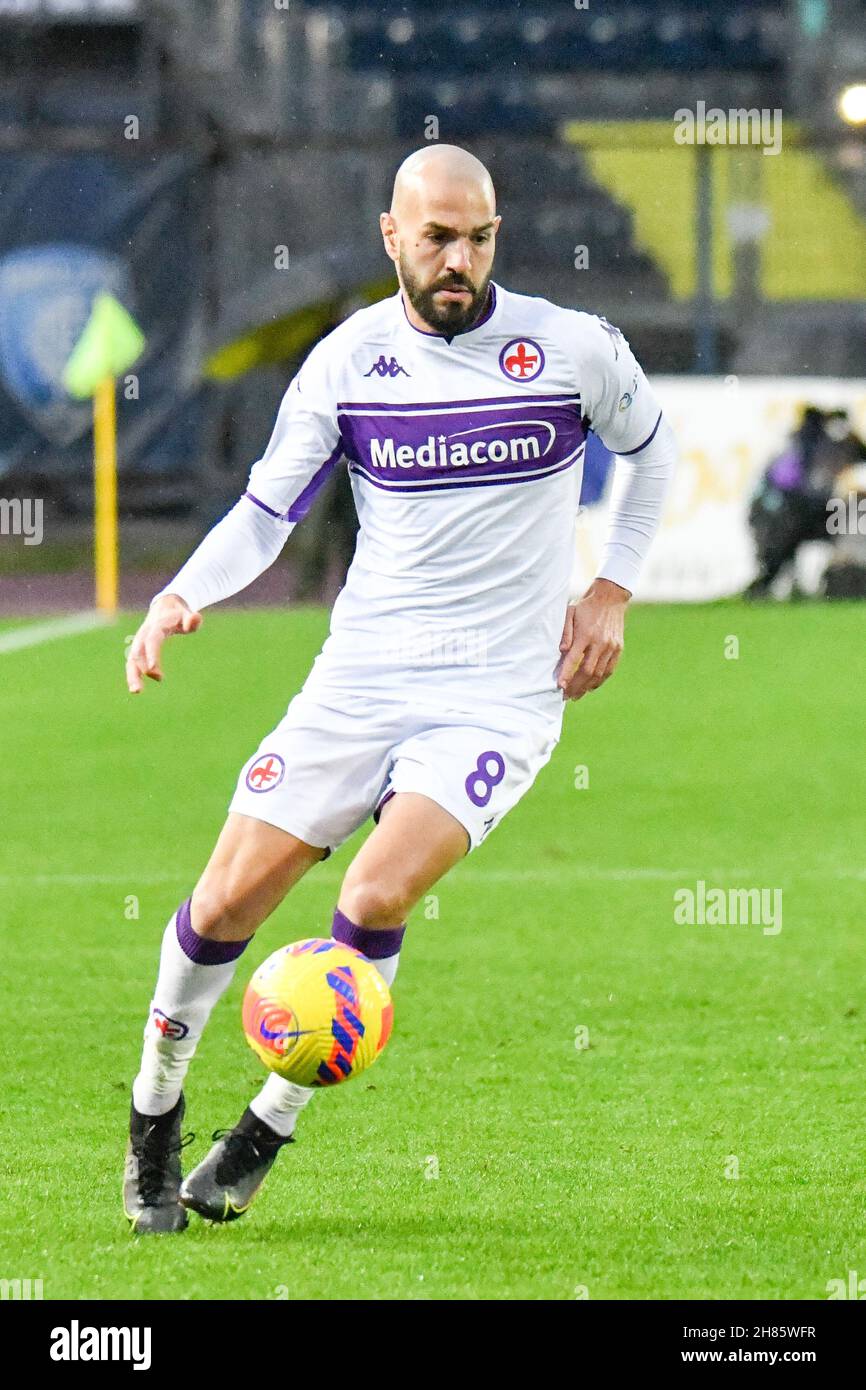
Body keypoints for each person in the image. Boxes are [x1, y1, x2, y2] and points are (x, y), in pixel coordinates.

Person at [122, 144, 677, 1234]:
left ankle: (269, 1121)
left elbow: (650, 451)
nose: (458, 258)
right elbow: (267, 510)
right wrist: (179, 595)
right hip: (360, 677)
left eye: (477, 237)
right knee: (228, 898)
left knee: (374, 897)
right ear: (392, 237)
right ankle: (153, 1113)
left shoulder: (568, 349)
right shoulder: (344, 364)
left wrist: (608, 590)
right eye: (436, 237)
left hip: (497, 695)